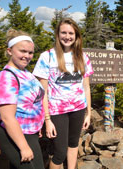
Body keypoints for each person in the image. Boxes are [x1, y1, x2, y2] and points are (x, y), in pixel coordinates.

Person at [33, 18, 93, 169]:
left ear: (77, 36)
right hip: (56, 112)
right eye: (63, 32)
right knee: (59, 153)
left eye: (71, 33)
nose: (67, 36)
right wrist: (47, 120)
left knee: (73, 145)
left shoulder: (83, 57)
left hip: (78, 109)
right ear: (58, 34)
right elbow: (43, 92)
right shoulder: (47, 57)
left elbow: (86, 87)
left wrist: (88, 113)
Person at [0, 29, 45, 169]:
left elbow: (33, 102)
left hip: (30, 132)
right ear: (10, 51)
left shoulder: (25, 72)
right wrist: (23, 147)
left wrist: (37, 124)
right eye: (22, 51)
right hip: (14, 136)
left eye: (30, 52)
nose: (27, 56)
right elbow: (7, 118)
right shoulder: (6, 78)